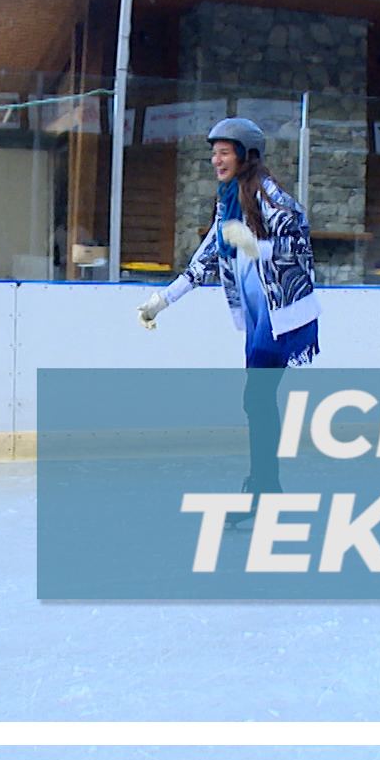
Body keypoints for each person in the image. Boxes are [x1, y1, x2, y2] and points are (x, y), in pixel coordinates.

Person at [136, 118, 319, 528]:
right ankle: (264, 489)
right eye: (213, 151)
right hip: (258, 316)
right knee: (258, 401)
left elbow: (299, 237)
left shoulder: (265, 192)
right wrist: (164, 299)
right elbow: (208, 256)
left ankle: (262, 491)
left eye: (224, 151)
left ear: (245, 154)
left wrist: (258, 247)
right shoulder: (228, 198)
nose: (215, 159)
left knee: (256, 400)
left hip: (280, 315)